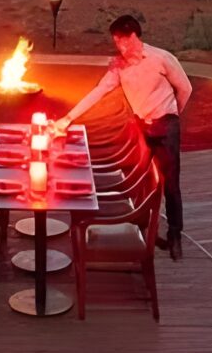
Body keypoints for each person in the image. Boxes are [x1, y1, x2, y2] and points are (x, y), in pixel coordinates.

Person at [57, 13, 192, 254]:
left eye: (122, 40)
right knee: (140, 174)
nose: (119, 46)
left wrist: (172, 115)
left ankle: (175, 235)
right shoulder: (119, 66)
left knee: (171, 182)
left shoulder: (161, 58)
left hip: (166, 124)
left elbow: (185, 88)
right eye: (116, 41)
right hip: (142, 125)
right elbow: (99, 91)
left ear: (134, 37)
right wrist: (68, 118)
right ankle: (143, 225)